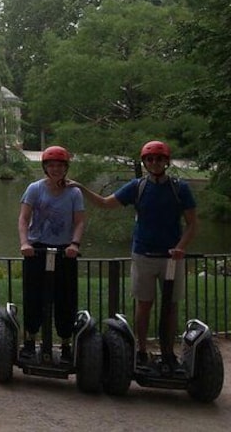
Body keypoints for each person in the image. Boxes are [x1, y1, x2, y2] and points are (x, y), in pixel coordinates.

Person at [69, 140, 197, 368]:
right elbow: (106, 203)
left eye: (159, 159)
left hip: (171, 258)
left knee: (171, 306)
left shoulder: (180, 188)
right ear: (145, 162)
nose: (154, 163)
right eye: (150, 159)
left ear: (166, 161)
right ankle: (141, 350)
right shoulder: (137, 187)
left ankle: (168, 352)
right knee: (144, 304)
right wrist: (81, 187)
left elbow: (192, 224)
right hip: (143, 254)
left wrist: (181, 247)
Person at [18, 145, 85, 363]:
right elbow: (23, 218)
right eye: (51, 165)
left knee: (65, 298)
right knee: (33, 296)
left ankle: (66, 343)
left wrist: (75, 244)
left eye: (60, 165)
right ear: (45, 167)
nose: (55, 169)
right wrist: (24, 243)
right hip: (36, 249)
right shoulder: (35, 188)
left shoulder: (74, 192)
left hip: (65, 250)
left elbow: (79, 221)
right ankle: (29, 341)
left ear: (66, 168)